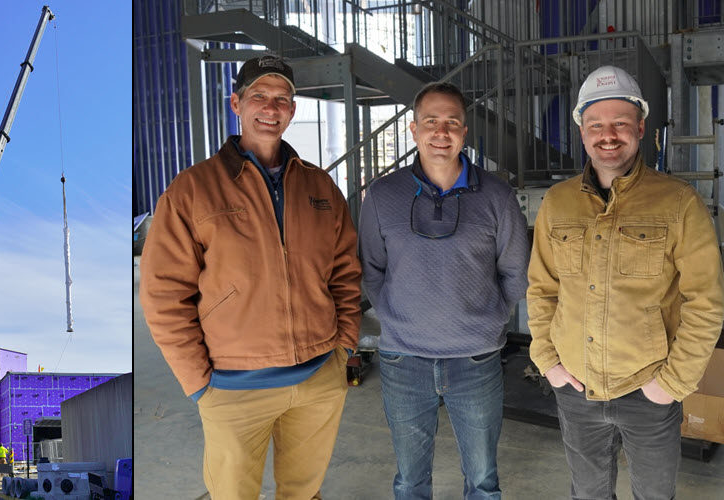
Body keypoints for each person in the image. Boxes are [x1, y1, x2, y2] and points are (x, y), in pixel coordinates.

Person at [138, 55, 361, 500]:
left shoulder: (319, 187)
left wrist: (344, 346)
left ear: (293, 110)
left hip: (318, 377)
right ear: (236, 103)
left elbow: (345, 273)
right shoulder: (193, 189)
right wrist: (198, 380)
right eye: (259, 96)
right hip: (233, 387)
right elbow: (163, 293)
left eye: (282, 99)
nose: (271, 108)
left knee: (304, 493)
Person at [528, 65, 723, 500]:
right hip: (576, 390)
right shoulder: (557, 203)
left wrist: (670, 384)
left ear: (640, 126)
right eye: (596, 124)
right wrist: (549, 364)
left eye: (619, 123)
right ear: (582, 131)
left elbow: (705, 303)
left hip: (648, 390)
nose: (608, 134)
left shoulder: (678, 203)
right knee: (588, 495)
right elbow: (542, 289)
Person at [359, 82, 528, 500]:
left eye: (452, 122)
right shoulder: (382, 196)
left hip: (476, 358)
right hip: (403, 360)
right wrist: (400, 316)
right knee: (410, 481)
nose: (441, 131)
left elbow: (515, 273)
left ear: (464, 133)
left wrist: (485, 319)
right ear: (414, 130)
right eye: (431, 121)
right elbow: (372, 270)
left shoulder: (498, 197)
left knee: (484, 481)